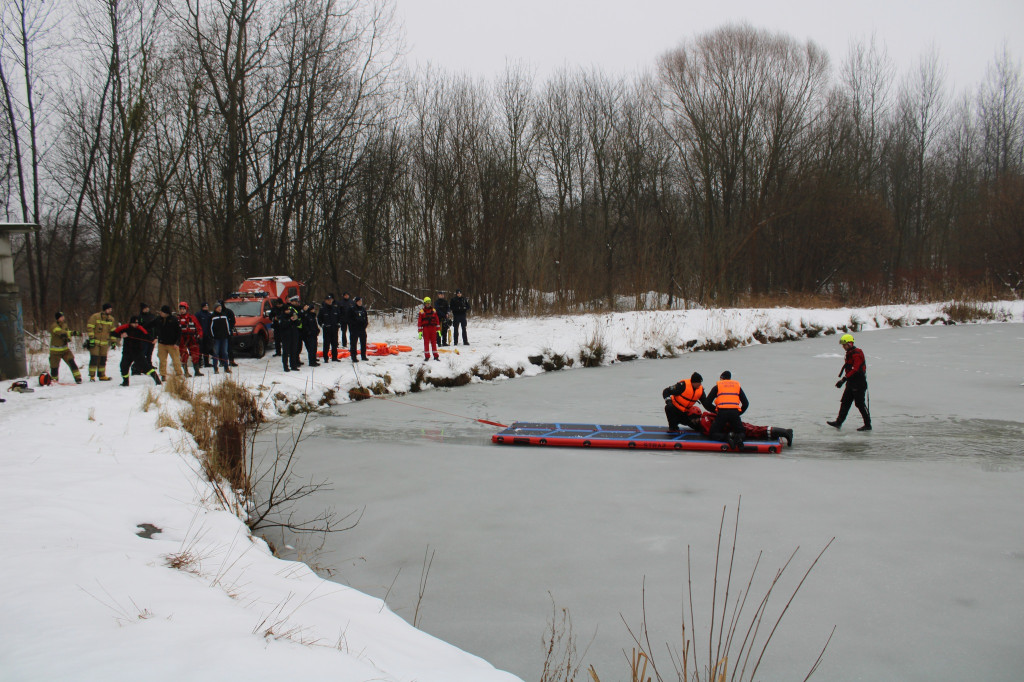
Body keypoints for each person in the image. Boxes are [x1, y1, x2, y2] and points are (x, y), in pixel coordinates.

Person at [828, 333, 871, 431]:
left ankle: (868, 424)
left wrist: (843, 379)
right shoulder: (850, 353)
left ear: (850, 344)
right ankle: (838, 422)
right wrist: (845, 380)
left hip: (859, 383)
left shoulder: (857, 354)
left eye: (844, 345)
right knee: (845, 402)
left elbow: (855, 369)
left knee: (860, 404)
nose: (843, 347)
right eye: (842, 345)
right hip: (851, 382)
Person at [693, 408, 793, 447]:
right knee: (754, 429)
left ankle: (786, 433)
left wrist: (728, 436)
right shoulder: (707, 415)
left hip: (731, 426)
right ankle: (786, 432)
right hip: (732, 421)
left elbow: (711, 433)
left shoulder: (703, 421)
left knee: (755, 431)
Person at [704, 370, 750, 449]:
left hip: (722, 412)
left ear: (721, 378)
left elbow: (707, 403)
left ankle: (727, 437)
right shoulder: (737, 386)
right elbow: (746, 403)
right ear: (730, 378)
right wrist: (738, 413)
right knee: (742, 432)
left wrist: (715, 411)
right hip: (734, 413)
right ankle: (738, 438)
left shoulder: (717, 386)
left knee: (713, 433)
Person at [112, 316, 161, 386]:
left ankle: (157, 381)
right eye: (134, 323)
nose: (136, 324)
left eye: (137, 323)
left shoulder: (140, 328)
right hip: (127, 352)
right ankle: (125, 382)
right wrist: (121, 335)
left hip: (137, 352)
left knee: (146, 367)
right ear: (131, 323)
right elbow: (113, 333)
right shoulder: (124, 327)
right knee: (123, 366)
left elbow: (147, 335)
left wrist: (153, 339)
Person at [85, 302, 117, 381]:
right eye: (109, 309)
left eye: (111, 309)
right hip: (95, 341)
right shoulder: (95, 317)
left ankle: (102, 375)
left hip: (104, 343)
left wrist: (113, 341)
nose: (110, 310)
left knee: (103, 359)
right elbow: (90, 327)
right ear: (105, 309)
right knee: (94, 358)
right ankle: (92, 376)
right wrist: (91, 338)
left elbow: (112, 331)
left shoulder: (111, 319)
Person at [49, 312, 82, 384]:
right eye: (61, 317)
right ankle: (54, 380)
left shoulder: (65, 325)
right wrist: (73, 333)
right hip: (55, 351)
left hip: (65, 350)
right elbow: (61, 332)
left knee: (72, 362)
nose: (63, 318)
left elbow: (67, 333)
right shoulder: (54, 326)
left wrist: (68, 338)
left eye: (63, 316)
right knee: (54, 367)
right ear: (58, 318)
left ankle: (78, 378)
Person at [155, 305, 184, 379]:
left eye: (162, 312)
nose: (160, 313)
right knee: (162, 360)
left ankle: (179, 374)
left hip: (172, 344)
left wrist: (177, 343)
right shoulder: (158, 319)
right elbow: (150, 325)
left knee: (176, 360)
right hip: (162, 343)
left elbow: (179, 332)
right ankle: (163, 375)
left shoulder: (174, 320)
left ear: (166, 313)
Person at [177, 301, 204, 377]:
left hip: (192, 339)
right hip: (182, 340)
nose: (182, 310)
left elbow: (199, 328)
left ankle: (197, 371)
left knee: (195, 354)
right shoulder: (177, 319)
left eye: (183, 309)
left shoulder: (192, 318)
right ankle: (186, 372)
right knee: (184, 355)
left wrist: (200, 336)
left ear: (186, 309)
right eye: (180, 309)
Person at [278, 295, 303, 371]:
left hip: (294, 334)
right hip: (286, 336)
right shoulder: (282, 317)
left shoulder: (292, 314)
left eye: (289, 310)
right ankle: (285, 366)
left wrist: (295, 320)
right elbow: (283, 325)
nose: (288, 311)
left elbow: (298, 322)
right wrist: (289, 321)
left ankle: (293, 365)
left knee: (294, 350)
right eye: (287, 310)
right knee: (286, 352)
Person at [209, 303, 232, 374]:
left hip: (224, 337)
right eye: (218, 307)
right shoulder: (212, 316)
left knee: (225, 353)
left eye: (220, 307)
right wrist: (212, 336)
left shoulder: (224, 315)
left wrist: (228, 334)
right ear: (215, 308)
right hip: (216, 338)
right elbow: (210, 328)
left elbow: (227, 325)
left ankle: (226, 367)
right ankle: (215, 368)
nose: (220, 308)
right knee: (216, 353)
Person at [318, 293, 341, 361]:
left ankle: (334, 357)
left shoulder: (335, 308)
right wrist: (322, 325)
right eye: (328, 300)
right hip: (327, 329)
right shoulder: (322, 309)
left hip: (334, 329)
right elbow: (319, 319)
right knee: (326, 344)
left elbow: (339, 317)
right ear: (325, 301)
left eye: (331, 300)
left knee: (334, 344)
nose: (330, 301)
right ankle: (326, 358)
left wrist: (338, 323)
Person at [418, 296, 441, 361]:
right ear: (424, 303)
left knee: (434, 343)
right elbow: (419, 322)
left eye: (429, 303)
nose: (428, 304)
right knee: (426, 343)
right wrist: (420, 331)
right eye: (427, 303)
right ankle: (427, 356)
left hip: (433, 328)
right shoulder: (421, 312)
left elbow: (437, 320)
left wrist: (438, 330)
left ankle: (436, 356)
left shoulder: (434, 311)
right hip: (426, 329)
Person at [139, 303, 158, 371]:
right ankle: (142, 366)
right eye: (145, 308)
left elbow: (156, 326)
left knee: (150, 352)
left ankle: (149, 365)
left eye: (147, 308)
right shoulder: (140, 317)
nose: (146, 309)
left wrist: (156, 336)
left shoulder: (152, 316)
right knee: (144, 352)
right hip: (144, 337)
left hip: (152, 336)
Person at [348, 296, 368, 362]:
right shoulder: (352, 309)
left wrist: (365, 325)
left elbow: (366, 318)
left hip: (362, 329)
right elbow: (349, 319)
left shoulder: (363, 309)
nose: (360, 303)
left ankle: (363, 355)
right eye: (359, 301)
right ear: (356, 302)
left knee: (363, 343)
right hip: (354, 329)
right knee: (354, 343)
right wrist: (353, 326)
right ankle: (354, 356)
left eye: (361, 301)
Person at [301, 302, 320, 366]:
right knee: (311, 348)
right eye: (312, 309)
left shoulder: (313, 316)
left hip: (314, 333)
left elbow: (315, 324)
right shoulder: (307, 316)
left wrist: (317, 330)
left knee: (314, 347)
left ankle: (314, 360)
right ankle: (311, 361)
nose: (313, 310)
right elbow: (305, 325)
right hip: (309, 334)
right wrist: (308, 331)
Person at [196, 302, 214, 368]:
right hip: (200, 334)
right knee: (200, 349)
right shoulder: (198, 314)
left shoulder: (209, 314)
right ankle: (199, 362)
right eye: (205, 307)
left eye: (207, 307)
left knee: (207, 349)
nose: (206, 308)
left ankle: (206, 363)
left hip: (207, 334)